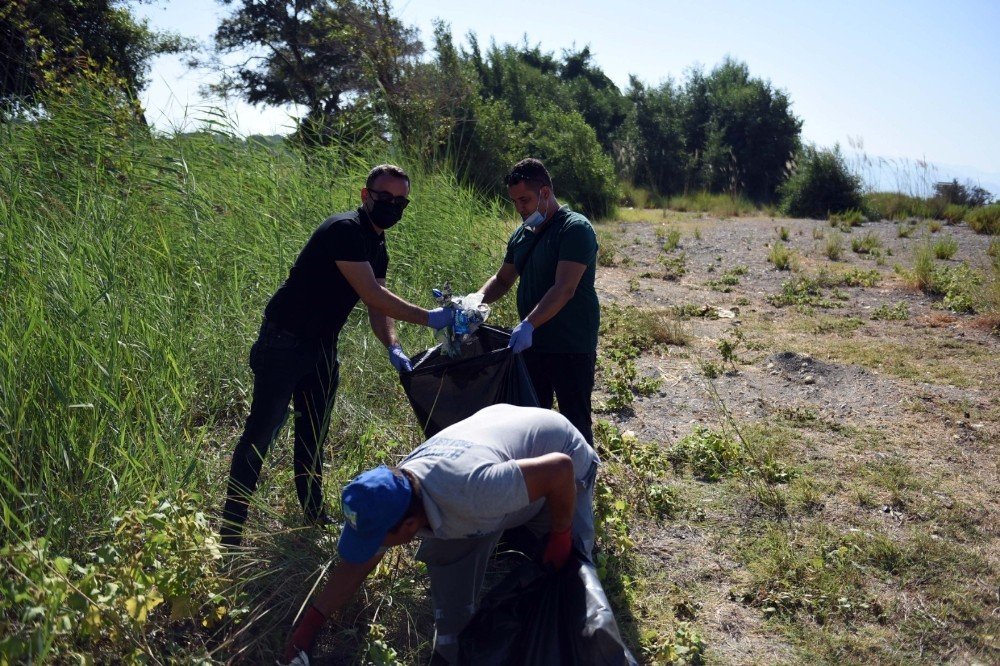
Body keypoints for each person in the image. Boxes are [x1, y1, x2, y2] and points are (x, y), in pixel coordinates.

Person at [220, 164, 454, 547]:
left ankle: (313, 515)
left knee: (313, 434)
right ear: (365, 196)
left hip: (322, 348)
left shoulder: (377, 245)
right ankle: (230, 533)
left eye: (400, 201)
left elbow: (378, 308)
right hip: (284, 343)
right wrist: (431, 318)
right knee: (260, 435)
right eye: (384, 198)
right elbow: (373, 295)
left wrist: (392, 346)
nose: (392, 206)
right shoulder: (344, 230)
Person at [282, 404, 599, 665]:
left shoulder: (476, 492)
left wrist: (560, 537)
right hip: (498, 438)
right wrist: (312, 622)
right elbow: (355, 566)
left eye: (377, 539)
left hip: (561, 461)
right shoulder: (396, 492)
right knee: (447, 543)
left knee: (573, 578)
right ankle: (454, 639)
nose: (374, 546)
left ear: (408, 526)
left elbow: (560, 470)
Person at [477, 158, 600, 446]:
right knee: (533, 419)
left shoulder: (574, 229)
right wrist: (474, 303)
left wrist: (529, 323)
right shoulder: (522, 235)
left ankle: (581, 483)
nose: (520, 208)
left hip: (571, 343)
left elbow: (565, 287)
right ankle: (544, 483)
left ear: (545, 192)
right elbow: (503, 280)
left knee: (575, 421)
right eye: (514, 201)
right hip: (532, 346)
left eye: (525, 199)